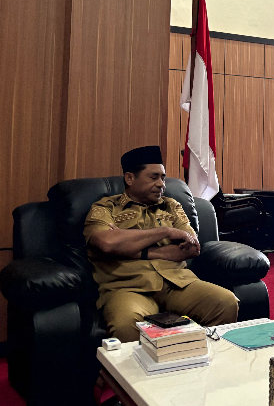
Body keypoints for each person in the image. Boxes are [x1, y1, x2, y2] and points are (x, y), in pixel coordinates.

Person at [84, 146, 238, 342]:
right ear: (130, 178)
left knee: (225, 302)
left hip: (177, 283)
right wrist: (166, 232)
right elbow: (107, 243)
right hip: (128, 287)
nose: (161, 184)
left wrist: (131, 248)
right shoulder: (105, 208)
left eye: (163, 178)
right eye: (153, 177)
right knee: (125, 324)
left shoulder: (172, 206)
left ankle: (206, 367)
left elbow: (191, 247)